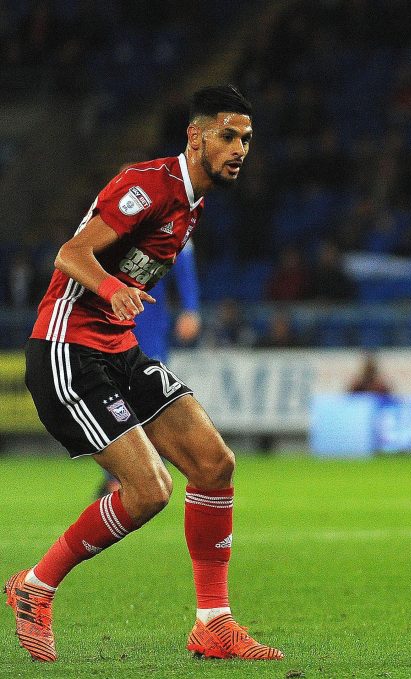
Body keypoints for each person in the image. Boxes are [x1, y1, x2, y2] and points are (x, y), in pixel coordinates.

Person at [6, 85, 283, 662]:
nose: (239, 149)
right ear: (196, 136)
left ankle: (214, 624)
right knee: (149, 490)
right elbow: (71, 253)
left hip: (118, 350)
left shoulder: (192, 203)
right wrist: (112, 289)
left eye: (247, 140)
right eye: (228, 136)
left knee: (214, 464)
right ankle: (35, 586)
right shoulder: (148, 186)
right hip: (68, 351)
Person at [95, 241, 202, 498]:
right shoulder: (114, 222)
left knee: (144, 397)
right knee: (113, 399)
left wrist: (191, 308)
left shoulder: (167, 219)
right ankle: (123, 474)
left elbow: (183, 258)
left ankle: (133, 474)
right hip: (108, 322)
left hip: (148, 325)